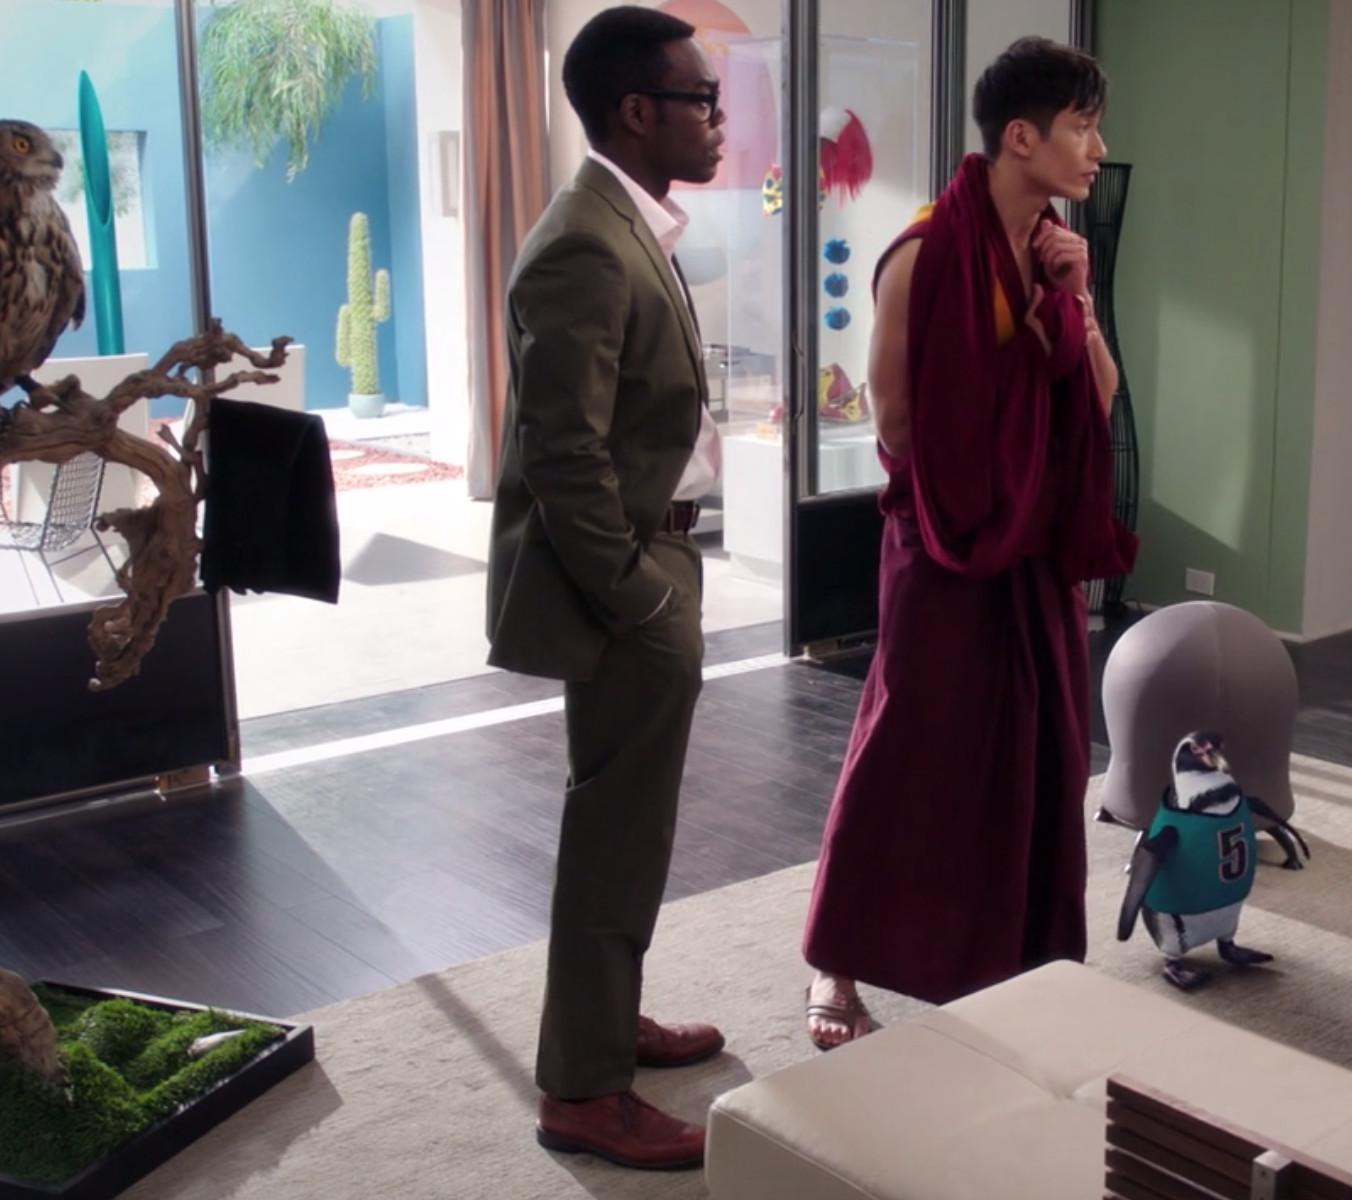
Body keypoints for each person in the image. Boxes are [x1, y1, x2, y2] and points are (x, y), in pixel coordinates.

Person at [800, 36, 1138, 1048]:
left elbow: (1100, 397)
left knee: (1036, 750)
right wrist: (1012, 403)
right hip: (945, 544)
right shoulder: (923, 253)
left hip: (1032, 549)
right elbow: (897, 423)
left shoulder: (1054, 252)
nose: (1098, 149)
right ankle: (835, 965)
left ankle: (1014, 964)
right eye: (1083, 128)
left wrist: (1073, 303)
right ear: (1021, 137)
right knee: (907, 746)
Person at [483, 5, 729, 1170]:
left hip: (657, 559)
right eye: (701, 99)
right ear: (637, 111)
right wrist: (637, 596)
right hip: (626, 581)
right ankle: (581, 1092)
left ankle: (602, 1022)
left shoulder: (627, 222)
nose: (718, 119)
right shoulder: (584, 241)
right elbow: (561, 452)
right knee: (614, 832)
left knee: (631, 826)